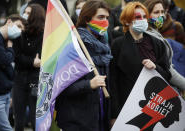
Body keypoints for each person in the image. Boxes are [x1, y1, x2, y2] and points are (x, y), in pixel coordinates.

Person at [110, 1, 171, 127]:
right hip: (127, 106)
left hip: (153, 107)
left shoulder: (157, 43)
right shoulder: (118, 45)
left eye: (144, 17)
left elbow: (167, 75)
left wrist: (155, 67)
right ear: (127, 21)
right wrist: (114, 114)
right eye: (137, 17)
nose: (142, 20)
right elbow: (113, 82)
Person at [55, 0, 112, 131]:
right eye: (100, 17)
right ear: (87, 19)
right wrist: (89, 84)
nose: (105, 21)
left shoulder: (105, 47)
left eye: (107, 18)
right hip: (77, 121)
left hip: (100, 119)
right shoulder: (73, 46)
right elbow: (62, 85)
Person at [12, 3, 45, 131]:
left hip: (35, 81)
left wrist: (33, 62)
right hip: (19, 79)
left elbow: (43, 59)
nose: (24, 14)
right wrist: (32, 62)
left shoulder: (44, 35)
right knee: (18, 118)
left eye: (28, 12)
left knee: (35, 117)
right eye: (24, 11)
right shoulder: (19, 32)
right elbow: (16, 56)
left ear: (35, 16)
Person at [143, 0, 185, 93]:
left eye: (162, 12)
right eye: (156, 12)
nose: (161, 16)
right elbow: (168, 69)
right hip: (159, 88)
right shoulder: (149, 36)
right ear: (147, 15)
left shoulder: (156, 33)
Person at [0, 14, 25, 131]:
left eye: (21, 30)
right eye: (18, 26)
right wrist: (10, 48)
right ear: (8, 22)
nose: (19, 31)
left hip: (5, 93)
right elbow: (5, 59)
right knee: (6, 128)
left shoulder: (6, 40)